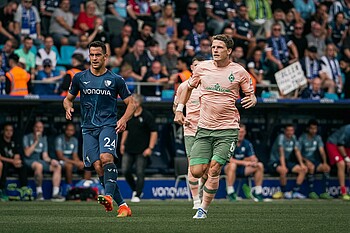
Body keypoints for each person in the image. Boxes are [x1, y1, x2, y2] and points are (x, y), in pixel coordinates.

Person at [174, 34, 257, 219]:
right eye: (213, 47)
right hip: (203, 129)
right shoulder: (202, 68)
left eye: (219, 47)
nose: (215, 50)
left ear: (229, 51)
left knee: (214, 168)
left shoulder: (240, 71)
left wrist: (252, 98)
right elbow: (187, 88)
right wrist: (179, 110)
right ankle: (203, 191)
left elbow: (250, 94)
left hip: (228, 129)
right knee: (196, 171)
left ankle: (202, 208)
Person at [63, 41, 135, 217]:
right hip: (87, 128)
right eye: (91, 55)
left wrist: (124, 119)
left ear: (105, 57)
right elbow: (68, 99)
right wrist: (68, 107)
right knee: (97, 166)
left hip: (108, 125)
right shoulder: (80, 78)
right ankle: (124, 206)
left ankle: (108, 196)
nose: (94, 58)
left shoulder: (116, 80)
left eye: (97, 55)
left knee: (106, 157)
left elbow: (131, 103)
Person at [173, 56, 205, 209]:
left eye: (202, 65)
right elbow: (175, 107)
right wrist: (180, 115)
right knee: (193, 165)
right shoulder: (184, 86)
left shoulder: (209, 86)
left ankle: (203, 195)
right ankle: (196, 200)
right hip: (191, 130)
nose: (198, 68)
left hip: (208, 130)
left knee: (206, 168)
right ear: (192, 67)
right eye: (196, 65)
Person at [120, 94, 158, 202]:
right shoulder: (129, 115)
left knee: (140, 172)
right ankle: (135, 190)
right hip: (129, 147)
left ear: (139, 103)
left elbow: (154, 132)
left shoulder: (147, 115)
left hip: (142, 149)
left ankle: (137, 194)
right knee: (125, 170)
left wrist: (150, 148)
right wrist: (122, 144)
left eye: (134, 102)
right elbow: (125, 130)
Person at [23, 121, 65, 201]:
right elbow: (27, 153)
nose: (38, 129)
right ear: (33, 128)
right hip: (29, 160)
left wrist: (51, 160)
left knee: (57, 166)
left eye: (41, 127)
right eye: (37, 127)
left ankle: (55, 194)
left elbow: (45, 156)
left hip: (40, 160)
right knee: (39, 166)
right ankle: (39, 193)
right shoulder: (27, 137)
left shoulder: (44, 138)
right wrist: (36, 141)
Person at [224, 123, 264, 202]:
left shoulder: (247, 143)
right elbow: (229, 159)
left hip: (242, 169)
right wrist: (244, 162)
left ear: (245, 133)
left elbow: (253, 157)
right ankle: (230, 192)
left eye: (242, 132)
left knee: (259, 165)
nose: (240, 134)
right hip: (228, 168)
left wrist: (254, 161)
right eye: (239, 132)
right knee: (233, 165)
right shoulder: (230, 142)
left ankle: (258, 192)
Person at [269, 124, 308, 199]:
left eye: (292, 130)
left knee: (303, 169)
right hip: (274, 161)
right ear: (285, 131)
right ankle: (284, 192)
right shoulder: (281, 137)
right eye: (288, 130)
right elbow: (281, 153)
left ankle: (295, 192)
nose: (290, 132)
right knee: (283, 170)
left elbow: (297, 151)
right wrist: (283, 166)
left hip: (286, 161)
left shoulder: (293, 138)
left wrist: (302, 164)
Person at [298, 119, 332, 199]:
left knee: (326, 168)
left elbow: (322, 151)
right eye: (312, 128)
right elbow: (298, 153)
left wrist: (325, 162)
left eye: (315, 129)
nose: (313, 130)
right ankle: (311, 192)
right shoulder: (302, 138)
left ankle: (324, 192)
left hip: (314, 160)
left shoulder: (318, 138)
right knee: (311, 167)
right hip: (304, 160)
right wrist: (306, 161)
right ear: (308, 129)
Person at [55, 122, 91, 191]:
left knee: (86, 165)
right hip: (60, 162)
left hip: (71, 161)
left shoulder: (74, 140)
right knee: (69, 166)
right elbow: (60, 156)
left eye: (71, 130)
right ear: (65, 130)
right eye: (68, 130)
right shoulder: (59, 139)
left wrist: (79, 162)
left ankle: (86, 187)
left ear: (74, 131)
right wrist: (75, 162)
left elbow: (75, 155)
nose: (69, 132)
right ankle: (70, 187)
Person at [0, 123, 28, 201]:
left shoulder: (15, 140)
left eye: (11, 130)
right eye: (7, 130)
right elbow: (0, 157)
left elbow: (17, 153)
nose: (9, 132)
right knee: (3, 166)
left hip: (12, 162)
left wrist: (16, 160)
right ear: (3, 131)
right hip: (4, 161)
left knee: (22, 165)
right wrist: (12, 161)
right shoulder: (0, 141)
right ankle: (2, 189)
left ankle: (24, 189)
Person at [326, 124, 350, 200]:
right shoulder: (348, 129)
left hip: (346, 147)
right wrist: (347, 159)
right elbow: (340, 145)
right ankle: (343, 193)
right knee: (341, 163)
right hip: (334, 144)